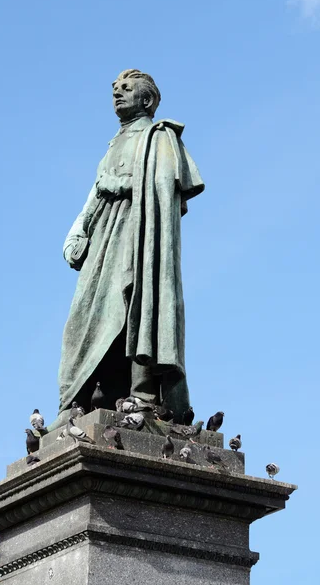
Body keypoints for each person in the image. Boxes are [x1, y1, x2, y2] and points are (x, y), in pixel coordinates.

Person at [54, 69, 204, 427]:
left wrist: (119, 184)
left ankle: (142, 391)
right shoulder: (113, 143)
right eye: (115, 89)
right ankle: (84, 394)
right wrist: (77, 231)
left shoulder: (160, 137)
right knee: (85, 316)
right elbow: (95, 192)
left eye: (127, 88)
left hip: (139, 237)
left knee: (138, 304)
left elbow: (163, 185)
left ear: (147, 99)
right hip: (103, 242)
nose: (118, 93)